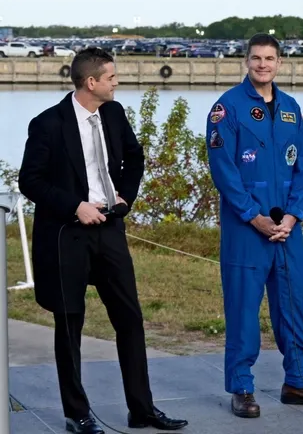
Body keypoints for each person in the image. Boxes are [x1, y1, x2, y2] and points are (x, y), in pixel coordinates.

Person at [18, 47, 188, 434]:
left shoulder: (114, 113)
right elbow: (29, 181)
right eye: (111, 77)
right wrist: (75, 206)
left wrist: (125, 197)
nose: (117, 82)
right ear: (91, 82)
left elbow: (134, 157)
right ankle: (76, 414)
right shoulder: (47, 124)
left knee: (130, 318)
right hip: (67, 234)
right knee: (70, 324)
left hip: (110, 230)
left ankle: (141, 410)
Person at [205, 33, 303, 418]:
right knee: (244, 309)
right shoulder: (227, 108)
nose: (263, 65)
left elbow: (302, 166)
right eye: (256, 58)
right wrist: (254, 216)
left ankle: (299, 381)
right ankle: (242, 388)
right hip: (247, 227)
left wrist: (294, 215)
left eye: (269, 59)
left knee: (295, 304)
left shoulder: (291, 107)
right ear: (246, 62)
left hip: (287, 228)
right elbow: (224, 171)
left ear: (280, 63)